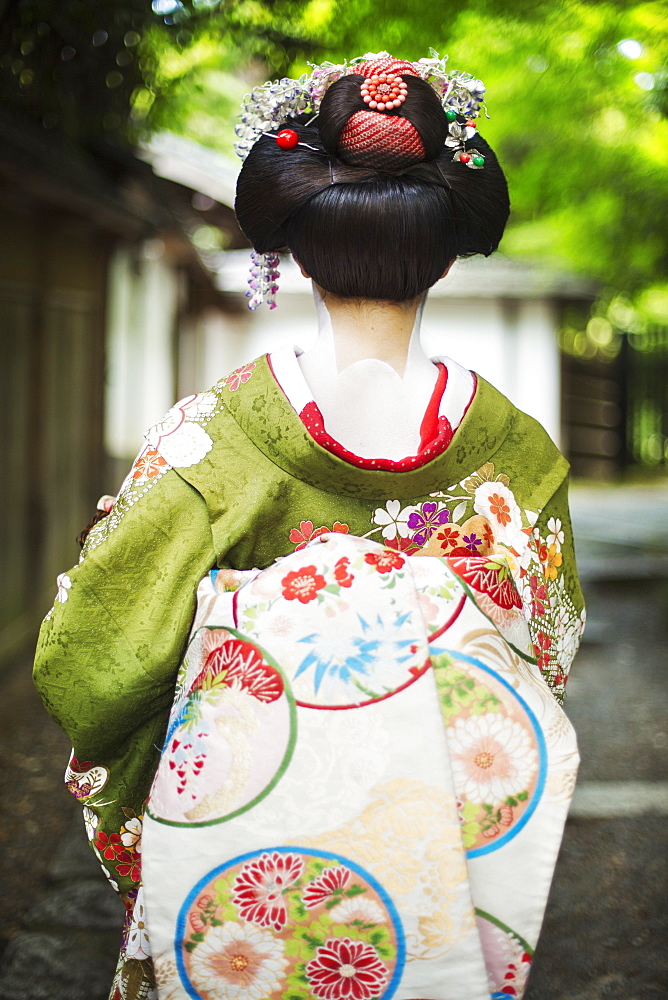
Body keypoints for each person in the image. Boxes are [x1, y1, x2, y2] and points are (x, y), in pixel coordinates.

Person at [34, 51, 584, 1000]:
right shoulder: (519, 455)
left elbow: (86, 672)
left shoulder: (211, 445)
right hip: (437, 873)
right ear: (449, 251)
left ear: (289, 242)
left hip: (246, 883)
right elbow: (548, 664)